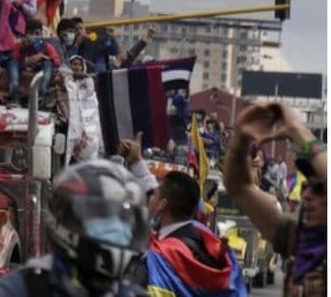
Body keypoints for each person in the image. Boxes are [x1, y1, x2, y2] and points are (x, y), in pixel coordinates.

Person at [0, 160, 149, 296]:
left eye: (123, 217)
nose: (116, 227)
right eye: (101, 214)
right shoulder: (20, 291)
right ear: (65, 218)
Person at [225, 101, 326, 296]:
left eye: (319, 189)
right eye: (306, 187)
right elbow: (238, 188)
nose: (307, 195)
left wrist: (296, 130)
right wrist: (241, 139)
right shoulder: (299, 239)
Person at [134, 171, 247, 296]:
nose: (149, 200)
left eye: (153, 195)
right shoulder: (207, 241)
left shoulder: (160, 257)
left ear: (162, 205)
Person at [11, 19, 60, 104]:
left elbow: (57, 62)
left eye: (37, 33)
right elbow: (14, 58)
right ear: (25, 34)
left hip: (39, 67)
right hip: (24, 65)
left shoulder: (46, 46)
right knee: (12, 63)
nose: (34, 36)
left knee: (48, 64)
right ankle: (15, 92)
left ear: (41, 34)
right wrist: (23, 52)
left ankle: (42, 92)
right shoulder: (19, 45)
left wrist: (42, 57)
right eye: (30, 33)